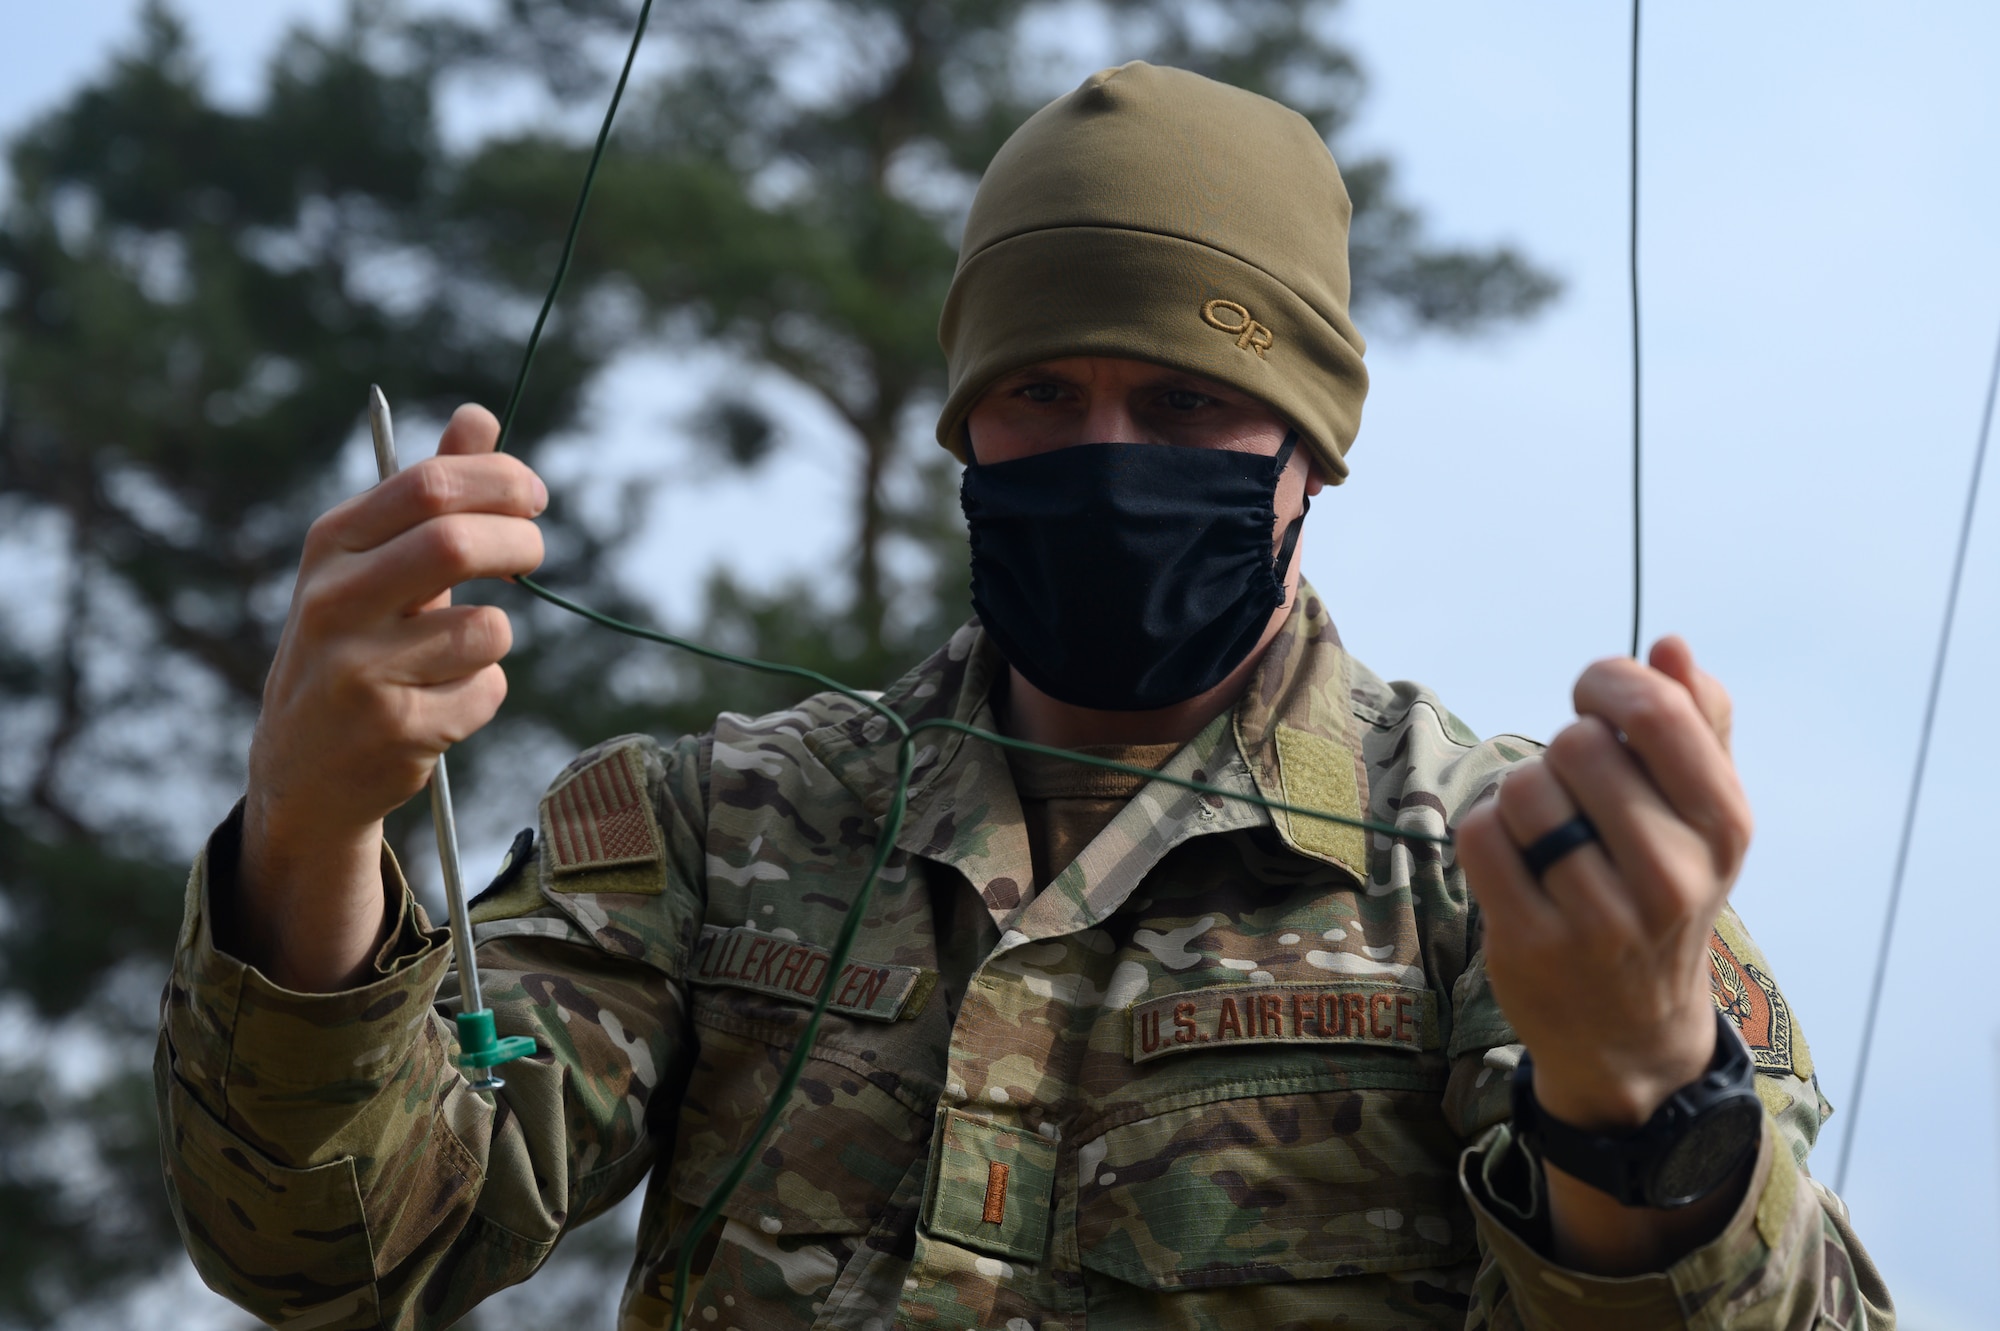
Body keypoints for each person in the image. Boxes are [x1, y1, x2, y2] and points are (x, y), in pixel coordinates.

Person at [155, 62, 1892, 1330]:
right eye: (1044, 392)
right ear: (966, 429)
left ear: (1310, 454)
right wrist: (314, 835)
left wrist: (1643, 1092)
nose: (1105, 455)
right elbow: (341, 1248)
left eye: (1190, 406)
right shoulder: (716, 831)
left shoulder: (1501, 881)